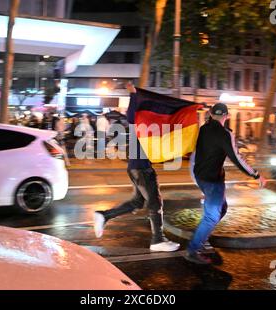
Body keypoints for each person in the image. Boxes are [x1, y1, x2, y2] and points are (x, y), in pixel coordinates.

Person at [93, 83, 180, 252]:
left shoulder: (145, 126)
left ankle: (104, 216)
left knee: (138, 202)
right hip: (141, 168)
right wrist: (133, 94)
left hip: (138, 167)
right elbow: (132, 115)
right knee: (155, 203)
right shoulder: (137, 123)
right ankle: (157, 240)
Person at [187, 103, 266, 264]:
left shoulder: (204, 128)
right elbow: (236, 158)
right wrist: (255, 174)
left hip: (202, 176)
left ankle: (202, 236)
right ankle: (194, 249)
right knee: (212, 215)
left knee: (221, 209)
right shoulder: (224, 134)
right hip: (213, 180)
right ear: (227, 116)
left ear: (210, 113)